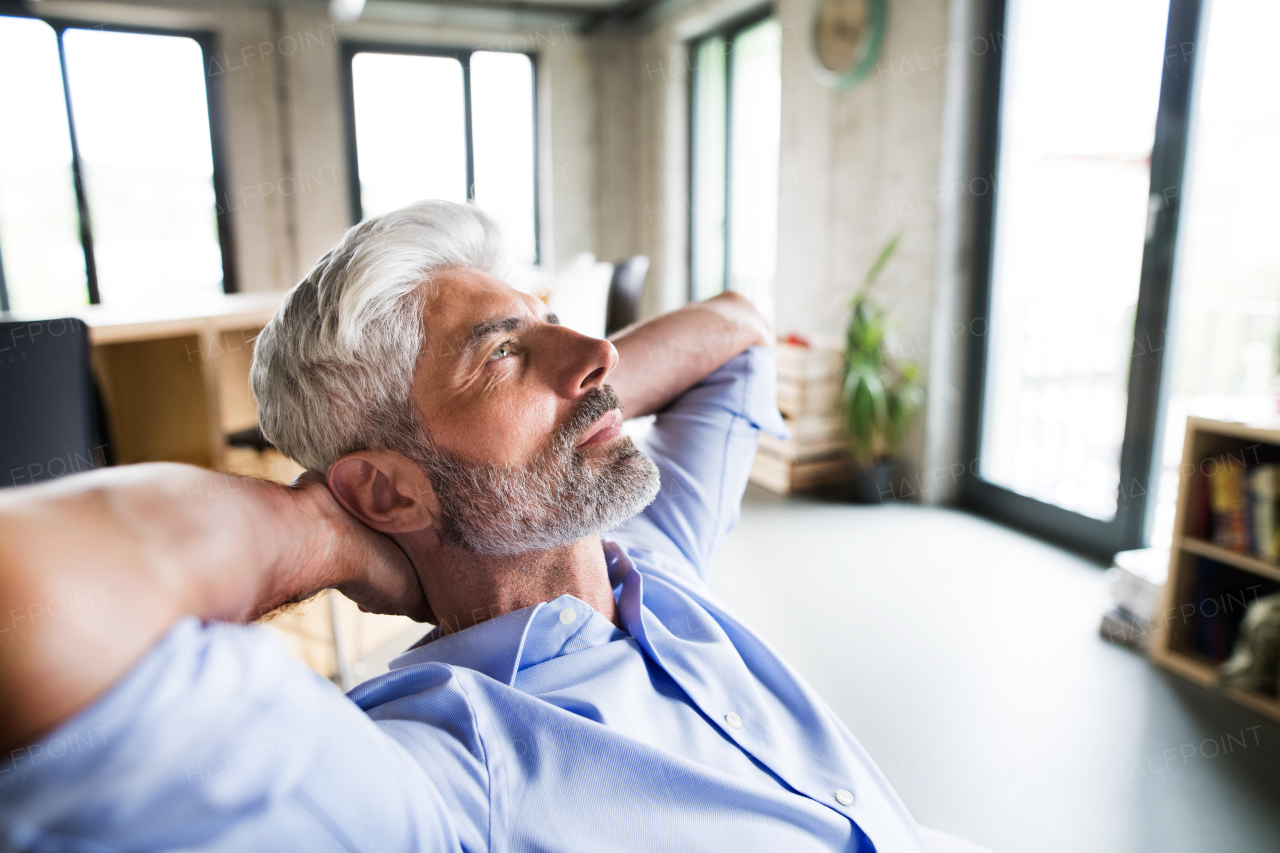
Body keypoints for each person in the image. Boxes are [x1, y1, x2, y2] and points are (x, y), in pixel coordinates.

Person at [0, 201, 934, 851]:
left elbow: (737, 333)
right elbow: (30, 599)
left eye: (552, 322)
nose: (598, 351)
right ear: (388, 492)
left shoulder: (651, 553)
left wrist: (565, 423)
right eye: (501, 354)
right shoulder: (446, 759)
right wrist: (318, 530)